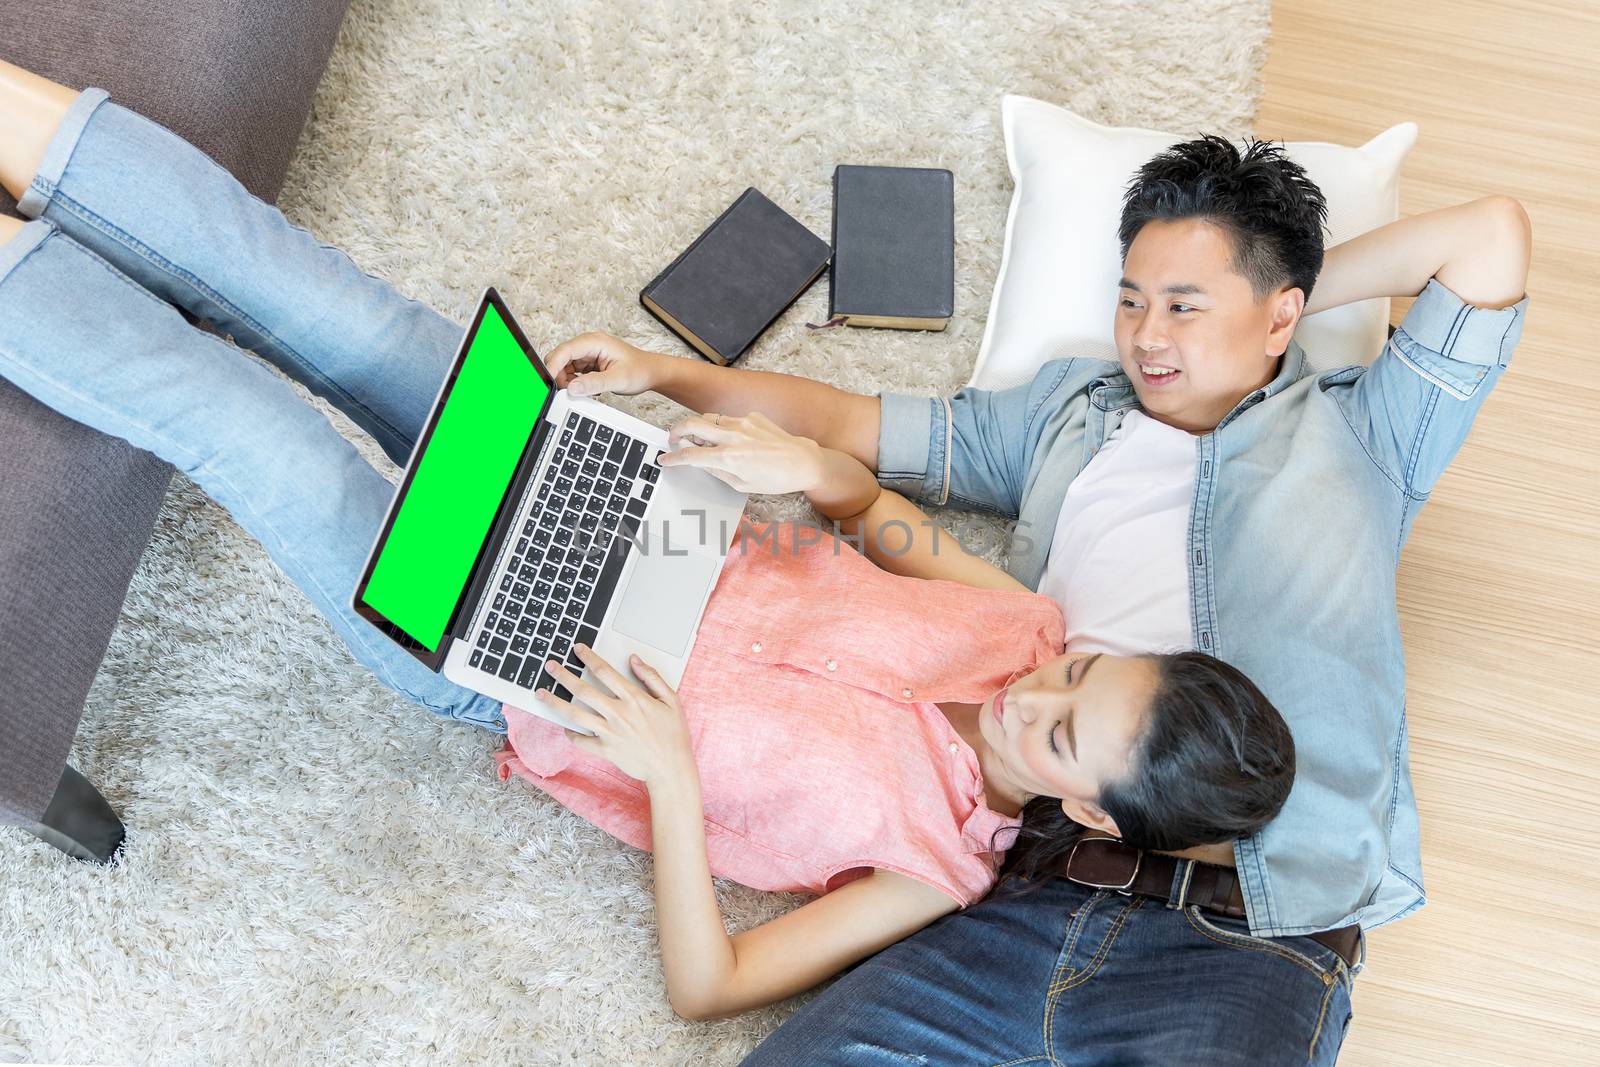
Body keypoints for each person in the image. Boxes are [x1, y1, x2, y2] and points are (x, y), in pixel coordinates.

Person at [0, 66, 1296, 1024]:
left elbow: (708, 984)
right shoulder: (1021, 622)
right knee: (316, 299)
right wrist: (799, 460)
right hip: (620, 499)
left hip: (525, 661)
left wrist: (670, 776)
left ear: (1083, 809)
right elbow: (866, 506)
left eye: (1060, 728)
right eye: (1083, 673)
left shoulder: (929, 868)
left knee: (255, 432)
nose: (1035, 686)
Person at [542, 143, 1532, 1061]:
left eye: (1185, 306)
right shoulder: (1069, 411)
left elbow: (1489, 236)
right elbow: (854, 424)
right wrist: (668, 373)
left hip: (1248, 937)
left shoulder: (1361, 434)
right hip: (1027, 885)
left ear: (1282, 311)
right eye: (1131, 299)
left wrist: (1285, 292)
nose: (1147, 335)